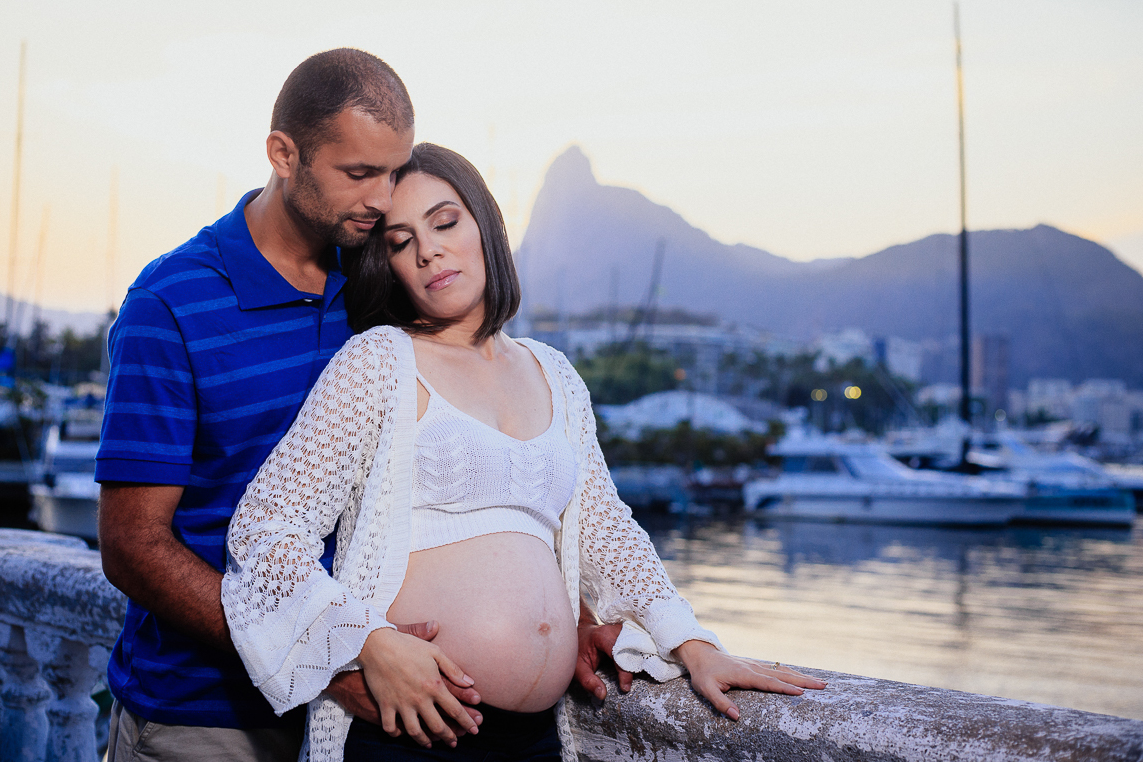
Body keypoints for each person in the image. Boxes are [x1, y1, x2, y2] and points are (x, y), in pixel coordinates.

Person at [95, 48, 629, 762]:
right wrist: (327, 656)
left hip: (382, 715)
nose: (384, 199)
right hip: (208, 715)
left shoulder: (386, 277)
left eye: (394, 170)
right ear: (285, 154)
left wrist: (569, 610)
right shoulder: (173, 303)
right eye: (360, 174)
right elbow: (133, 546)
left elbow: (470, 467)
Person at [221, 143, 827, 762]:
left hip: (534, 742)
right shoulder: (378, 362)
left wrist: (692, 644)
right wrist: (367, 644)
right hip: (407, 734)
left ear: (486, 225)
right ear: (390, 265)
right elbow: (268, 528)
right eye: (401, 241)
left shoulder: (556, 373)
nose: (427, 249)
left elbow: (603, 528)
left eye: (445, 221)